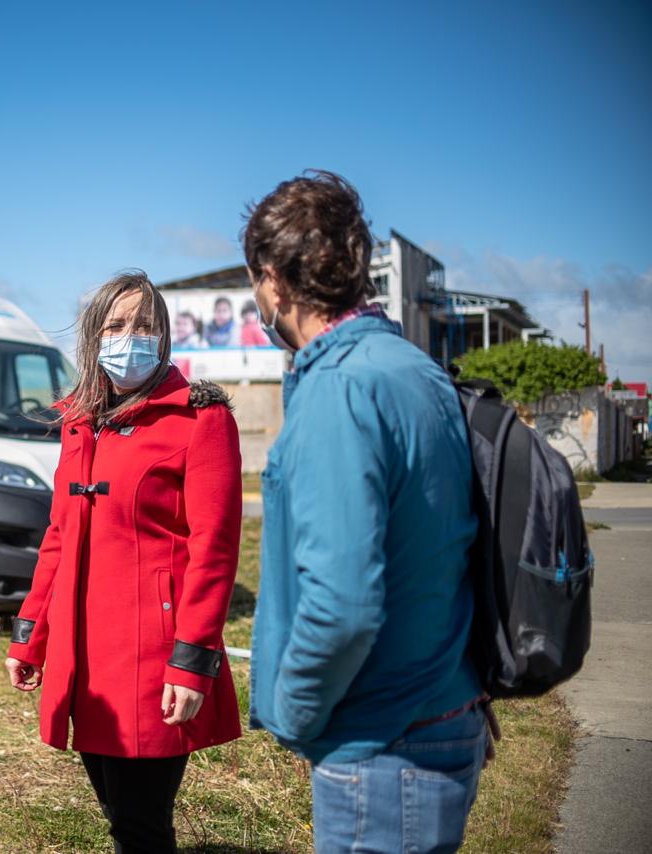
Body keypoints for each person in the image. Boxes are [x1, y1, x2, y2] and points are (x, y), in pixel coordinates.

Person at [244, 171, 490, 854]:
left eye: (256, 284)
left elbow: (343, 605)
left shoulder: (338, 390)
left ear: (275, 281)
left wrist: (293, 715)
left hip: (382, 745)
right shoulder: (416, 370)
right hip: (441, 712)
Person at [5, 270, 243, 853]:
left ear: (164, 336)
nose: (129, 335)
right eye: (115, 324)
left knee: (141, 825)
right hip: (84, 657)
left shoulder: (201, 418)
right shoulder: (79, 423)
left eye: (144, 324)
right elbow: (58, 536)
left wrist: (192, 664)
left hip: (151, 656)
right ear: (93, 336)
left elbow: (215, 550)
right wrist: (29, 636)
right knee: (116, 814)